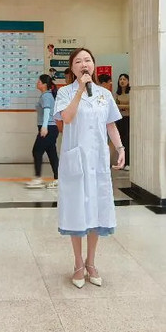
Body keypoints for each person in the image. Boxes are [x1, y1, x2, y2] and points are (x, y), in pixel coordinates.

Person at [54, 48, 125, 288]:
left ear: (93, 65)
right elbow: (66, 118)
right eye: (78, 61)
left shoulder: (104, 94)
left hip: (98, 161)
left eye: (87, 60)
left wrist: (120, 148)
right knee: (76, 210)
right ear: (72, 68)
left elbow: (111, 125)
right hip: (76, 161)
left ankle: (91, 262)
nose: (84, 64)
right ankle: (77, 263)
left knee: (97, 209)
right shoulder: (65, 92)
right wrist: (80, 91)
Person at [25, 75, 59, 189]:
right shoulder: (46, 95)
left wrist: (44, 127)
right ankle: (58, 179)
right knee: (52, 154)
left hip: (48, 128)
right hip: (51, 128)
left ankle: (38, 179)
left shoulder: (46, 96)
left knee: (37, 151)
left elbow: (47, 111)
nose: (37, 83)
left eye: (39, 81)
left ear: (44, 84)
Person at [115, 74, 131, 171]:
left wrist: (121, 106)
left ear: (128, 81)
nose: (122, 81)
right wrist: (124, 106)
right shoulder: (117, 94)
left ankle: (128, 162)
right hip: (119, 119)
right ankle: (121, 162)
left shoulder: (131, 93)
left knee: (127, 141)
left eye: (124, 79)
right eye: (120, 79)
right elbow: (114, 106)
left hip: (128, 119)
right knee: (120, 141)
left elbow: (132, 106)